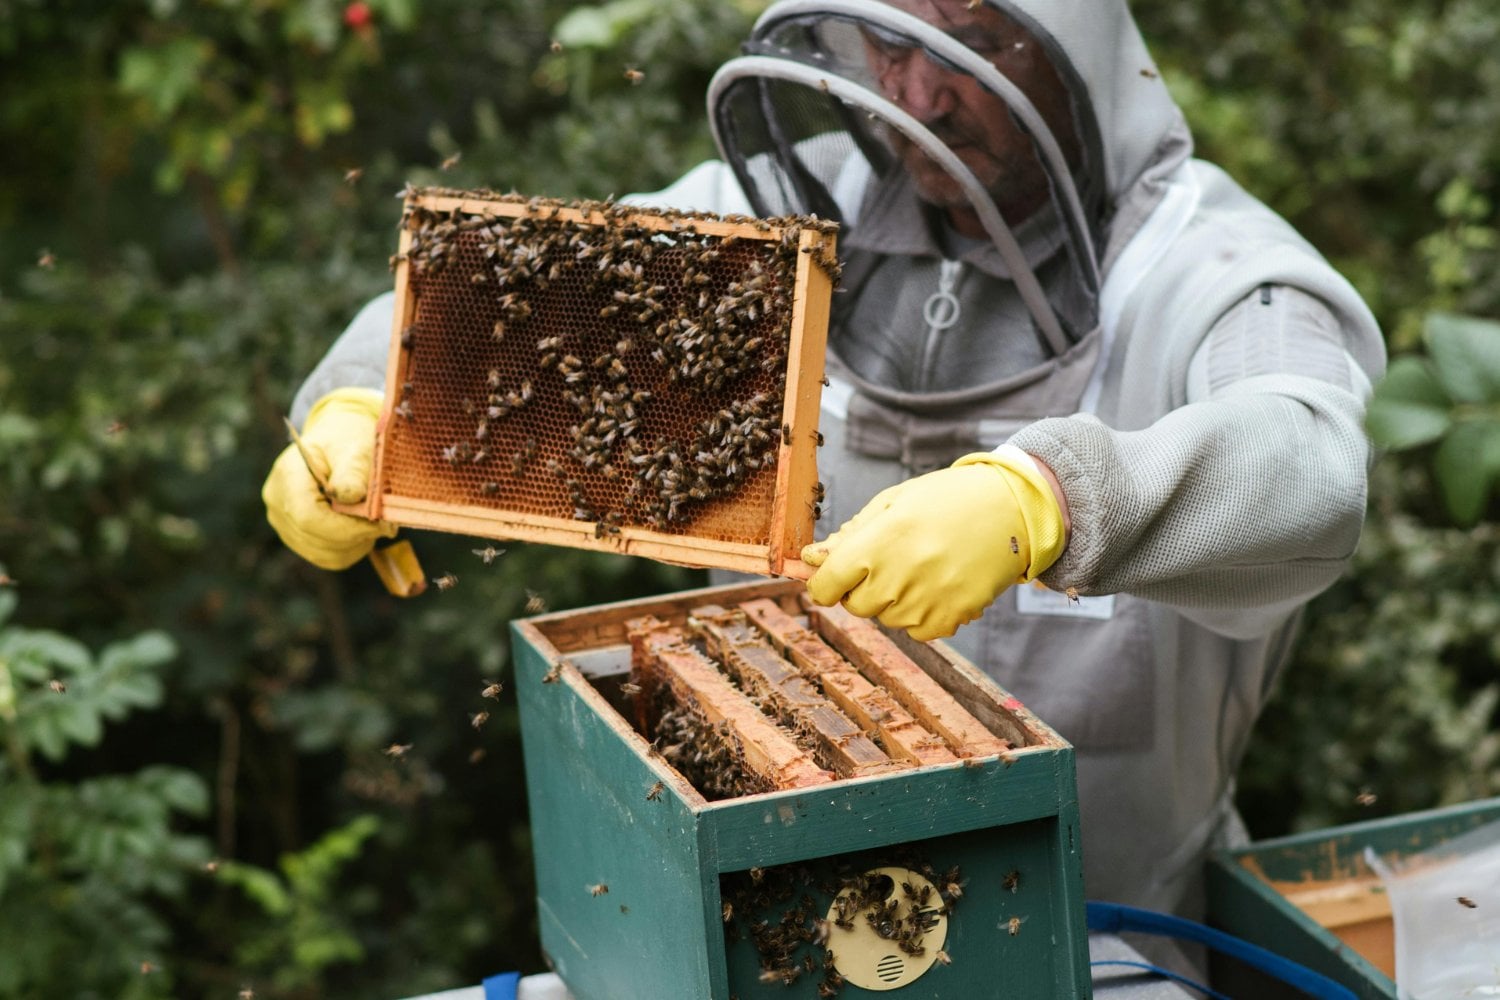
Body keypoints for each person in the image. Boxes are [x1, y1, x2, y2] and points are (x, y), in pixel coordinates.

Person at [263, 0, 1385, 973]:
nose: (922, 97)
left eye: (970, 44)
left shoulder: (1219, 270)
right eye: (886, 46)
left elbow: (1309, 469)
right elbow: (498, 303)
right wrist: (363, 405)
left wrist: (1047, 498)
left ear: (1077, 46)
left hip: (1114, 945)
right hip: (765, 925)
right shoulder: (778, 212)